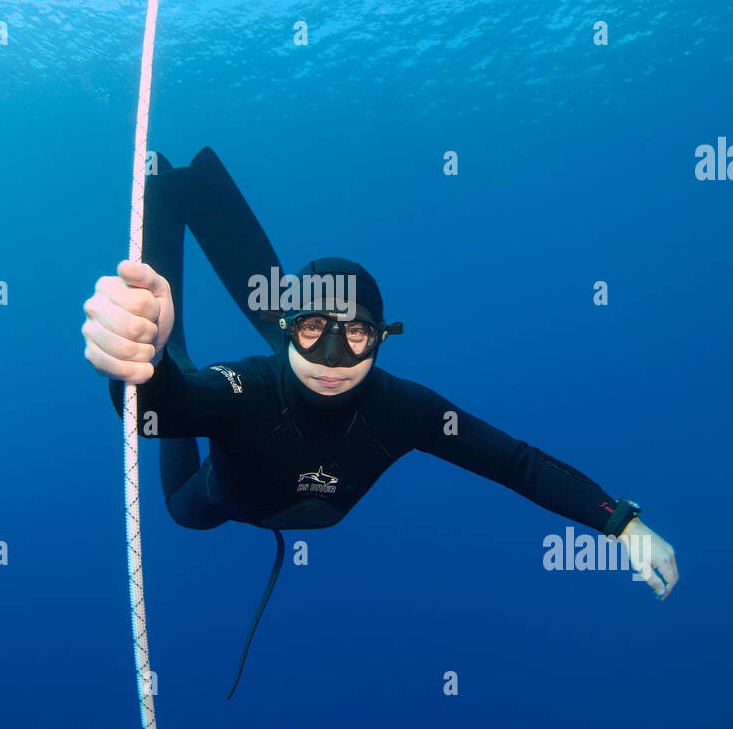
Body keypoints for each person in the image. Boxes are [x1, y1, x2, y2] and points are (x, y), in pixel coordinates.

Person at [82, 148, 679, 692]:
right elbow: (160, 416)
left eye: (357, 334)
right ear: (293, 329)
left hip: (290, 420)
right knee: (182, 497)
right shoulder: (248, 388)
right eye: (313, 330)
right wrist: (139, 363)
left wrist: (621, 523)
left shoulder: (404, 410)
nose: (333, 363)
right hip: (220, 493)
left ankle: (187, 334)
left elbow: (514, 463)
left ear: (380, 339)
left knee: (239, 371)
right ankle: (171, 345)